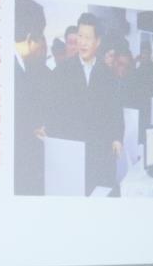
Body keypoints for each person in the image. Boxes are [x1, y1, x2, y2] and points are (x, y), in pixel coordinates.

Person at [48, 12, 123, 195]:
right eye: (80, 36)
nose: (82, 42)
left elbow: (115, 110)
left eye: (88, 38)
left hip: (100, 152)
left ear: (98, 41)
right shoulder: (62, 72)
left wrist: (117, 138)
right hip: (72, 151)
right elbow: (53, 113)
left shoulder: (108, 74)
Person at [14, 0, 50, 195]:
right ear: (30, 39)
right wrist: (31, 131)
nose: (42, 45)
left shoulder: (22, 67)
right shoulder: (15, 70)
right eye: (41, 37)